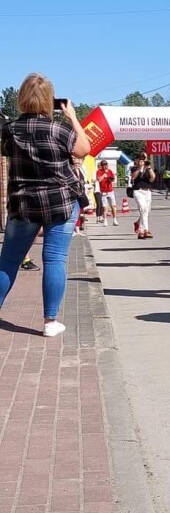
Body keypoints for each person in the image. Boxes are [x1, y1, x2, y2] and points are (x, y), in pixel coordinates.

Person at [0, 74, 90, 337]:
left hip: (23, 204)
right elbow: (83, 149)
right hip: (59, 203)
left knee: (8, 260)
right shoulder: (59, 130)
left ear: (22, 98)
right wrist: (72, 116)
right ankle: (50, 321)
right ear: (49, 100)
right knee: (54, 259)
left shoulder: (10, 129)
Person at [131, 152, 156, 238]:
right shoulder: (134, 168)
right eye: (140, 159)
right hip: (138, 191)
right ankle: (145, 230)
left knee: (147, 211)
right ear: (137, 160)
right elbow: (133, 177)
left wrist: (148, 167)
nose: (142, 161)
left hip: (147, 191)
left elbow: (153, 178)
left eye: (144, 159)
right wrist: (140, 167)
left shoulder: (148, 168)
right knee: (143, 209)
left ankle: (139, 226)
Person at [96, 157, 118, 226]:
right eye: (104, 165)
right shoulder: (99, 171)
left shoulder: (110, 171)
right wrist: (103, 175)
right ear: (102, 166)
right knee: (105, 207)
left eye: (106, 165)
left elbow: (112, 179)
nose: (105, 166)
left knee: (113, 206)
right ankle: (105, 220)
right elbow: (99, 180)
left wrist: (111, 178)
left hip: (110, 191)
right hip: (103, 192)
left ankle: (114, 220)